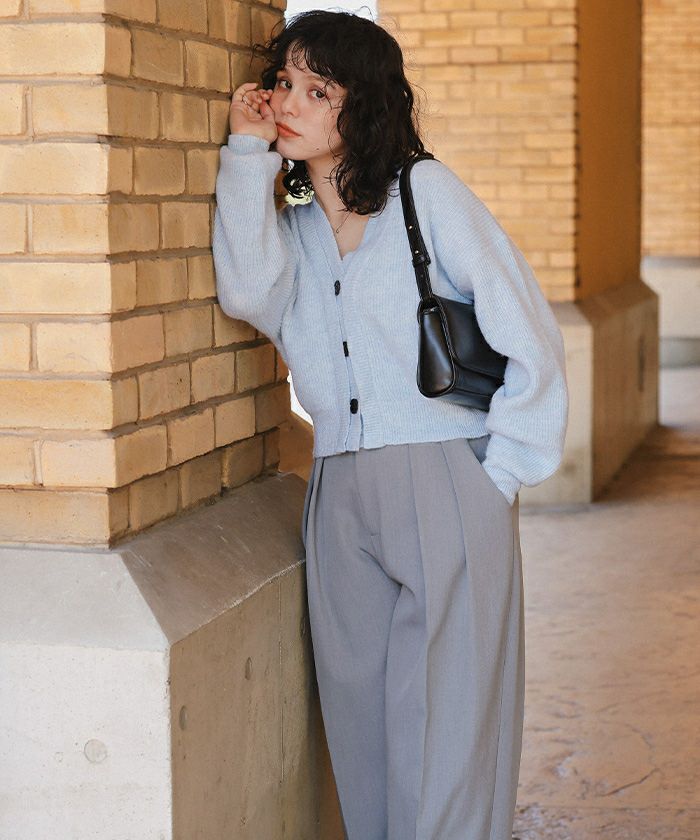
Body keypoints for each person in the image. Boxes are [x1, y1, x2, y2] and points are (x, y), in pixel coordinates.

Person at [213, 9, 569, 840]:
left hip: (445, 477)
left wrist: (498, 476)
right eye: (284, 83)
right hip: (339, 488)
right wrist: (245, 155)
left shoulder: (426, 194)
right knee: (362, 726)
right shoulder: (296, 223)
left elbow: (529, 332)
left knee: (450, 732)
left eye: (317, 90)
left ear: (363, 104)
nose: (288, 102)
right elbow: (248, 293)